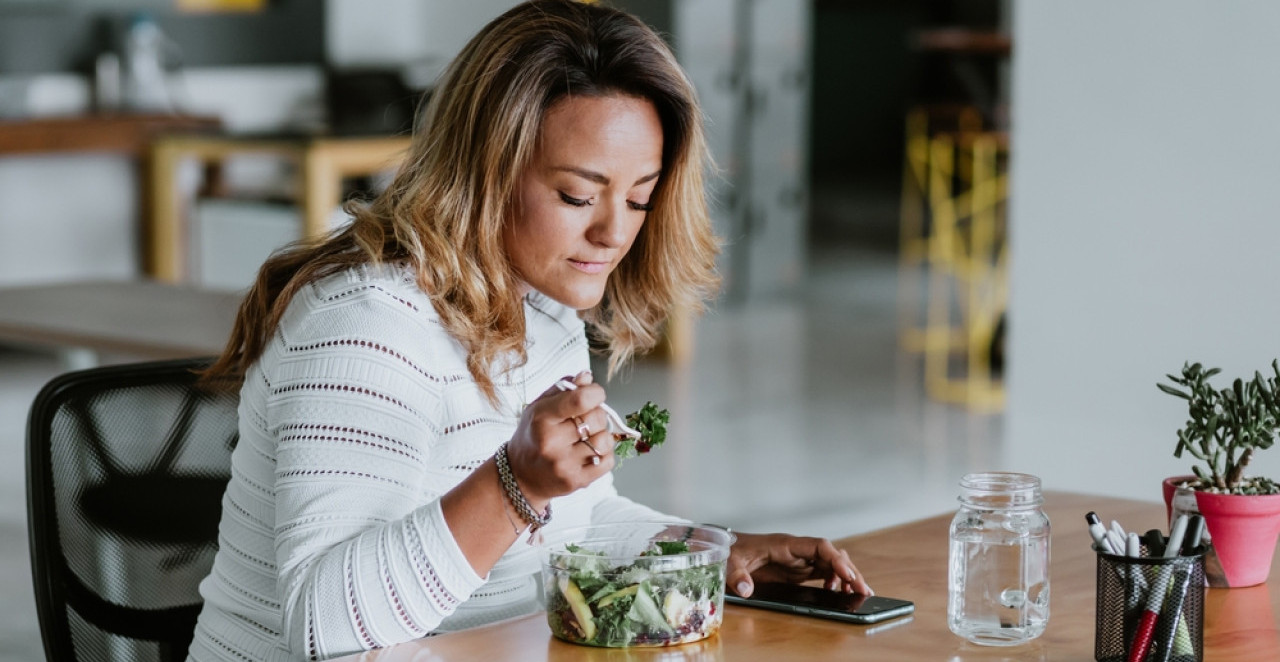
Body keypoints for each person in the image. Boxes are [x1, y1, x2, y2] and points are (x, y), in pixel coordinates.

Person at [186, 2, 871, 660]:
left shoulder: (541, 309)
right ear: (485, 172)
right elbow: (325, 622)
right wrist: (515, 485)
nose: (614, 232)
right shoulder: (365, 324)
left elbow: (580, 524)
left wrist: (712, 551)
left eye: (639, 197)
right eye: (577, 195)